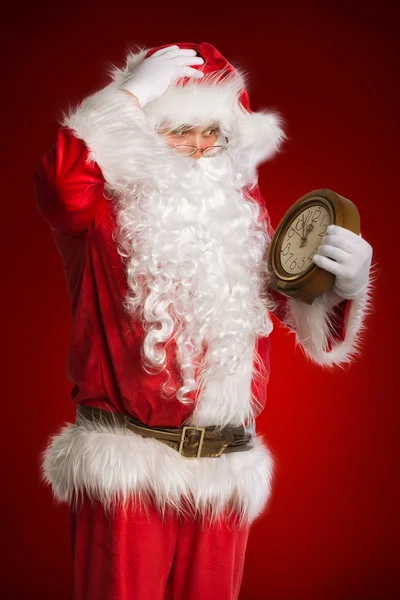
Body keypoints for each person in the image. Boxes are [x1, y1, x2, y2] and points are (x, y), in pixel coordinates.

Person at [34, 42, 373, 600]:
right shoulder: (98, 214)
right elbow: (58, 183)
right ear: (145, 131)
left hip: (223, 471)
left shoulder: (239, 215)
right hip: (129, 470)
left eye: (210, 133)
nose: (196, 149)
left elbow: (302, 315)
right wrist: (129, 95)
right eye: (178, 130)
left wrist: (346, 286)